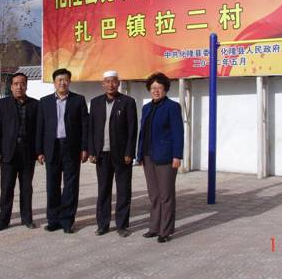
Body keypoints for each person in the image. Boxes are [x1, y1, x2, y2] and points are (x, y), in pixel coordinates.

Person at [36, 68, 88, 234]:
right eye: (59, 80)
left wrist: (84, 148)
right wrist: (39, 151)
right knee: (52, 185)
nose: (62, 83)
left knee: (71, 186)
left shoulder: (78, 100)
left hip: (71, 147)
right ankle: (53, 220)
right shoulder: (44, 102)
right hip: (52, 148)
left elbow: (84, 126)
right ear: (54, 83)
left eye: (65, 80)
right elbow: (40, 128)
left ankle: (67, 221)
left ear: (69, 82)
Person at [88, 70, 137, 237]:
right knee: (103, 190)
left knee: (123, 190)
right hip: (102, 154)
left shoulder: (128, 102)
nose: (110, 85)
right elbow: (91, 128)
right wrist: (92, 151)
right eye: (107, 81)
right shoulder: (95, 102)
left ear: (118, 83)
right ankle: (103, 224)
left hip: (122, 155)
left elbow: (132, 129)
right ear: (103, 84)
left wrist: (129, 152)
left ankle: (122, 225)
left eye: (114, 81)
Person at [136, 72, 184, 243]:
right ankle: (154, 227)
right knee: (154, 195)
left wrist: (177, 156)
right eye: (153, 88)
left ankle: (166, 230)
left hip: (166, 157)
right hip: (148, 156)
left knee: (166, 195)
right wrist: (139, 154)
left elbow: (178, 133)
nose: (156, 91)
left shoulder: (172, 107)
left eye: (159, 87)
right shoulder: (146, 108)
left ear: (165, 89)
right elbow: (143, 133)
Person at [0, 73, 39, 231]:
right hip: (8, 152)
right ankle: (3, 220)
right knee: (7, 188)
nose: (19, 87)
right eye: (16, 84)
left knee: (26, 188)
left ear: (26, 85)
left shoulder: (35, 105)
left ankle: (27, 218)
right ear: (11, 87)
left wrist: (39, 152)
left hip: (27, 152)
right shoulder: (2, 104)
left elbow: (39, 131)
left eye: (22, 83)